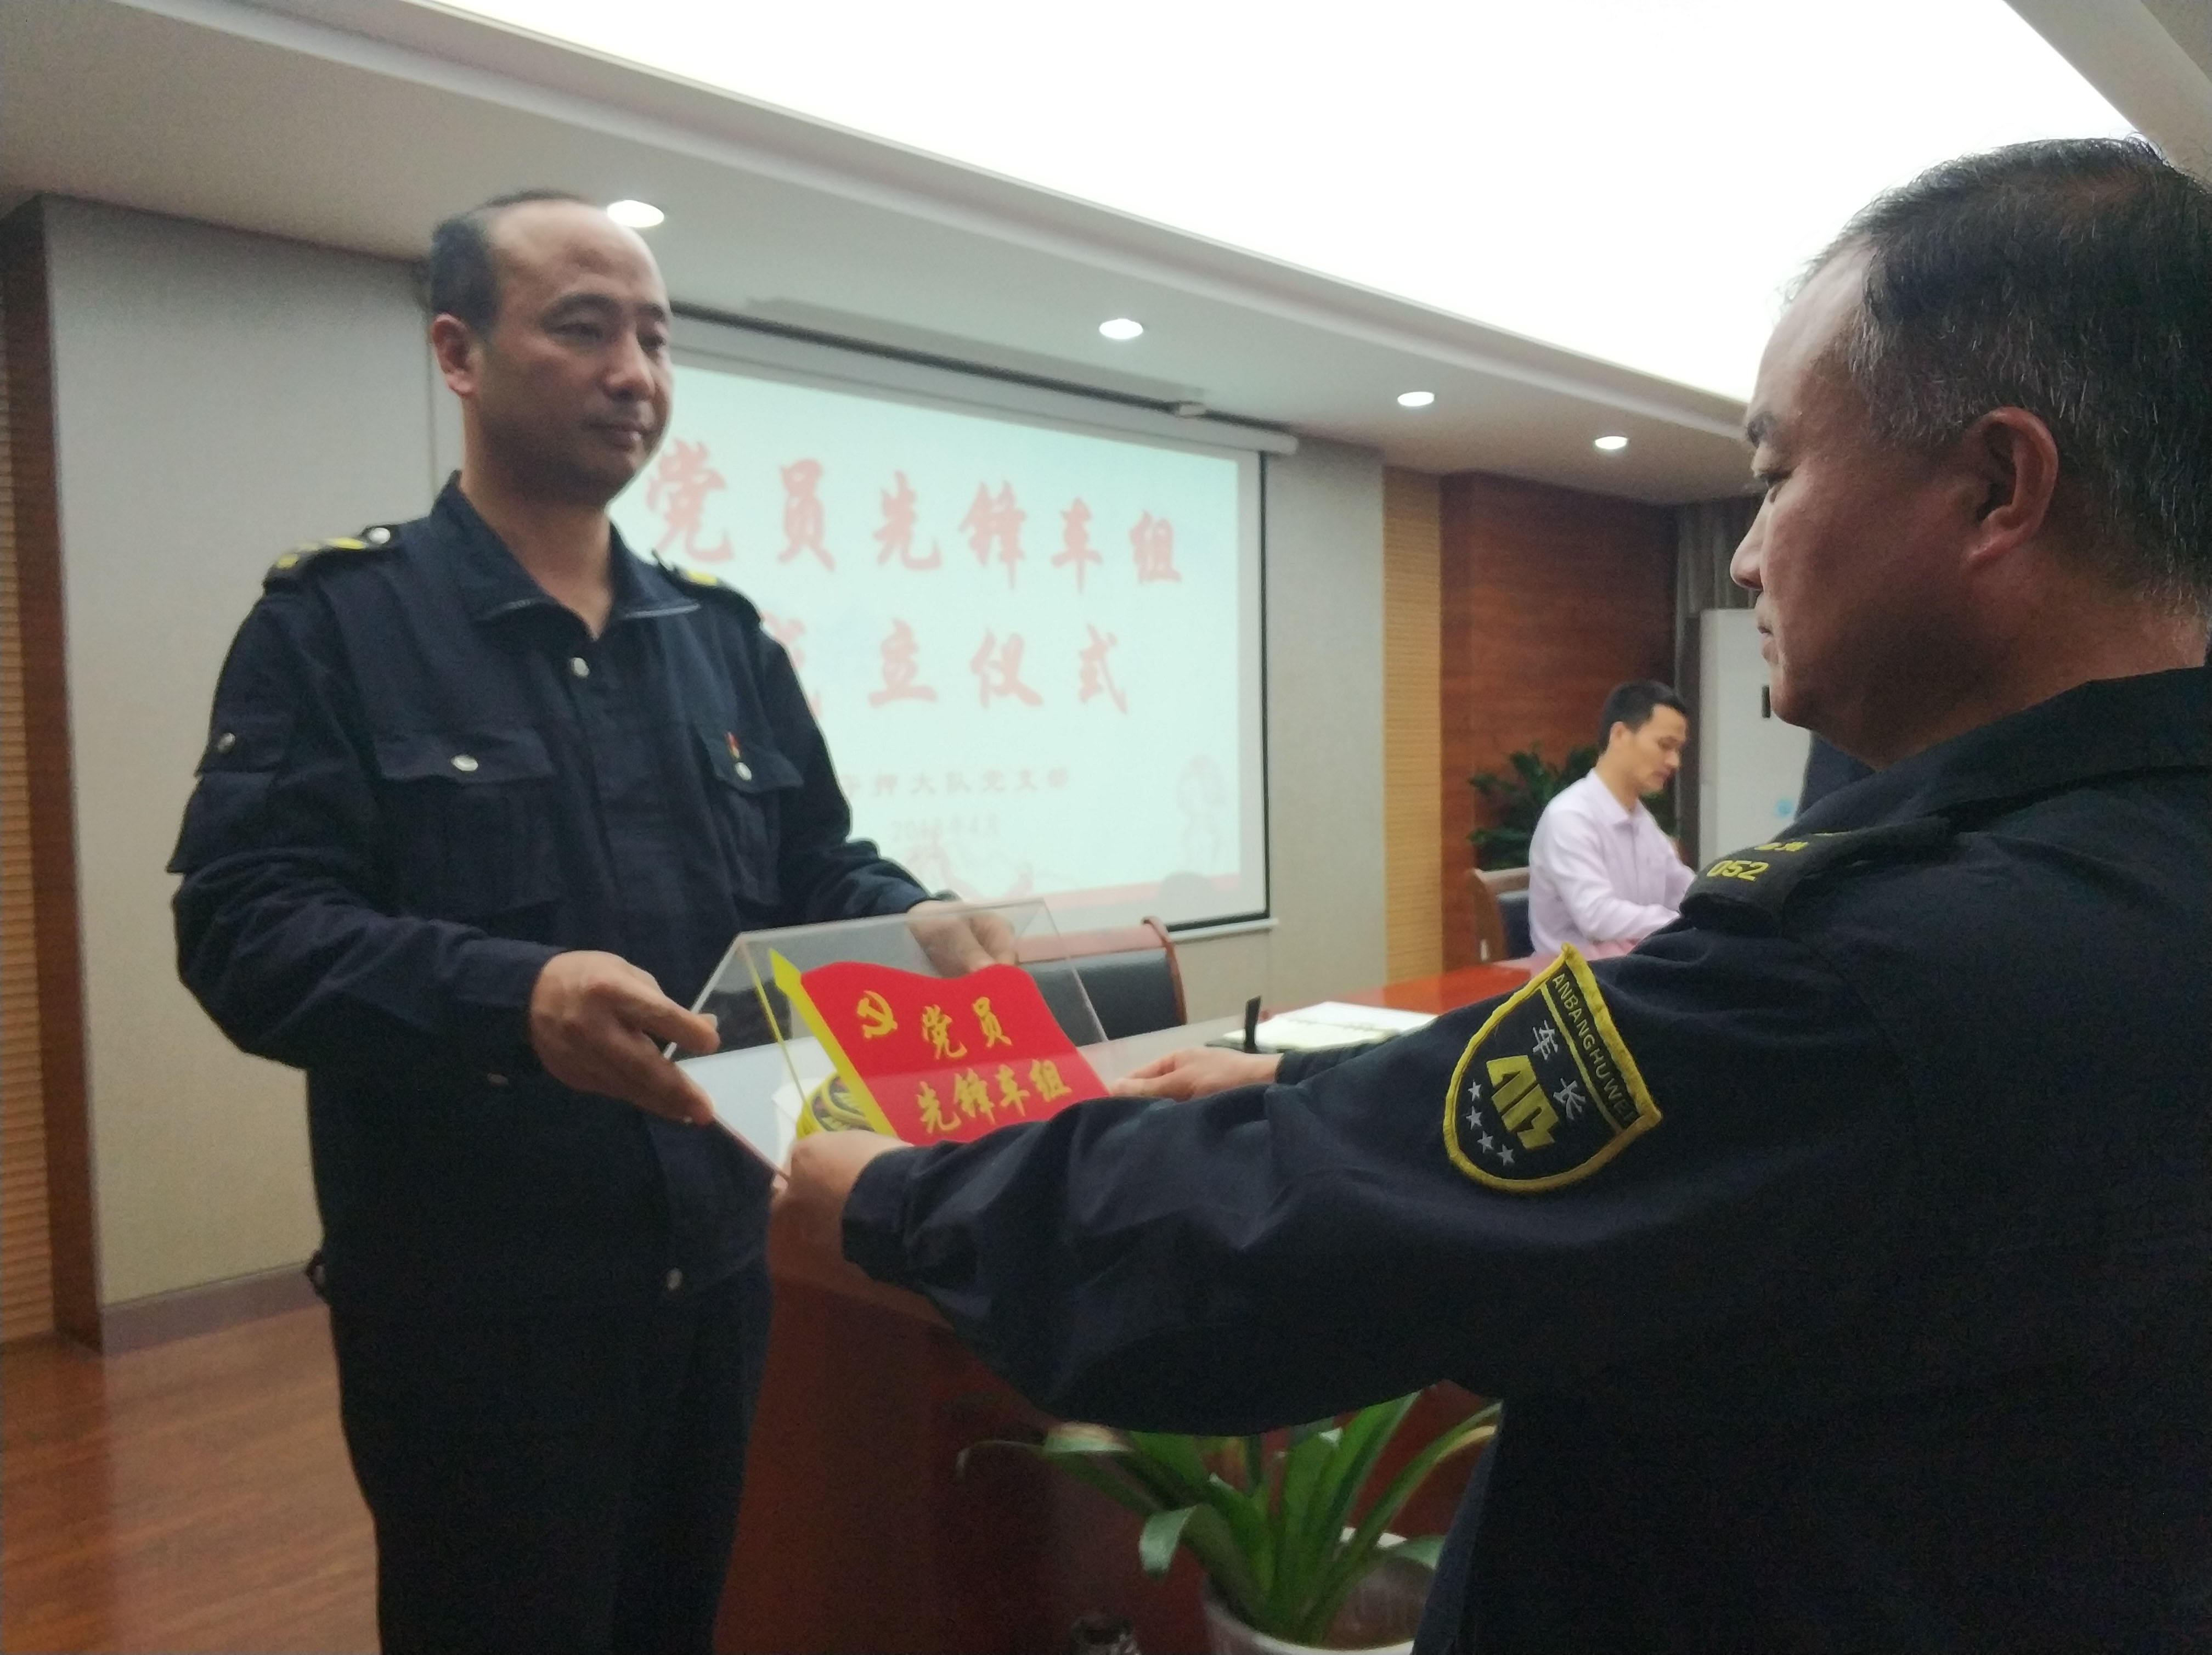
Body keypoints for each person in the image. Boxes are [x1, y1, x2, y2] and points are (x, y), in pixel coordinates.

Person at [776, 137, 2212, 1651]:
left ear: (1996, 487)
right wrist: (1297, 1078)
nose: (1745, 555)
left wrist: (896, 1199)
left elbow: (1298, 1240)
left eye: (1778, 473)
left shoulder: (1875, 968)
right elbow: (1692, 1099)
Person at [169, 191, 989, 1653]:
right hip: (475, 1309)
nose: (635, 373)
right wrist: (513, 997)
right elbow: (245, 929)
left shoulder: (722, 640)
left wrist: (911, 918)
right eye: (585, 328)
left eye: (657, 338)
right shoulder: (337, 623)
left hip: (718, 1265)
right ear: (458, 352)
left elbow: (815, 867)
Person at [1525, 680, 1691, 956]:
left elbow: (1683, 891)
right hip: (1576, 979)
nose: (1675, 762)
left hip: (1631, 970)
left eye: (1678, 750)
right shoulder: (1570, 817)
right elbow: (1598, 917)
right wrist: (1681, 923)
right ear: (1620, 735)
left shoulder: (1642, 821)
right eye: (1665, 745)